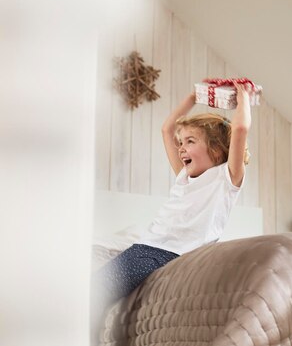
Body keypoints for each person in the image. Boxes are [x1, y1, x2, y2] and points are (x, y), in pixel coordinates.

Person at [91, 81, 252, 341]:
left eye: (190, 141)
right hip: (147, 248)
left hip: (166, 253)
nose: (181, 148)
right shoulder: (184, 176)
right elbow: (167, 129)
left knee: (94, 292)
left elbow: (241, 128)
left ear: (216, 149)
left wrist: (244, 95)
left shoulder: (225, 179)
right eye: (181, 143)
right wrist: (193, 96)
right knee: (94, 294)